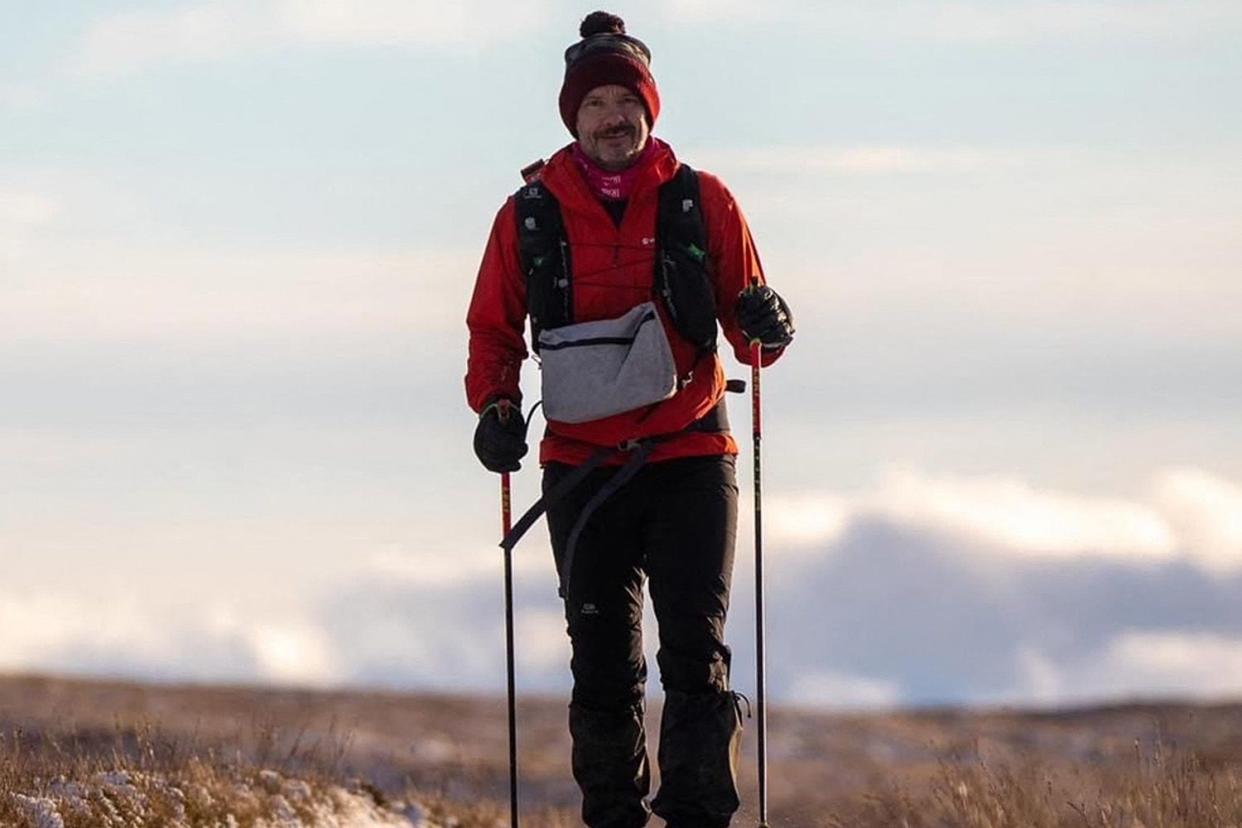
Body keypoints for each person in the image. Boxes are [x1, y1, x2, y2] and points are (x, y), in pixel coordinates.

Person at [465, 11, 794, 828]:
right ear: (573, 117)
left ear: (650, 108)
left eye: (626, 100)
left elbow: (752, 340)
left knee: (694, 657)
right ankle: (611, 818)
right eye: (597, 103)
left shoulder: (703, 201)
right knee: (605, 668)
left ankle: (697, 818)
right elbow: (493, 330)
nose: (614, 116)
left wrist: (768, 323)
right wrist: (496, 411)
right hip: (582, 465)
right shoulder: (529, 216)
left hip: (692, 451)